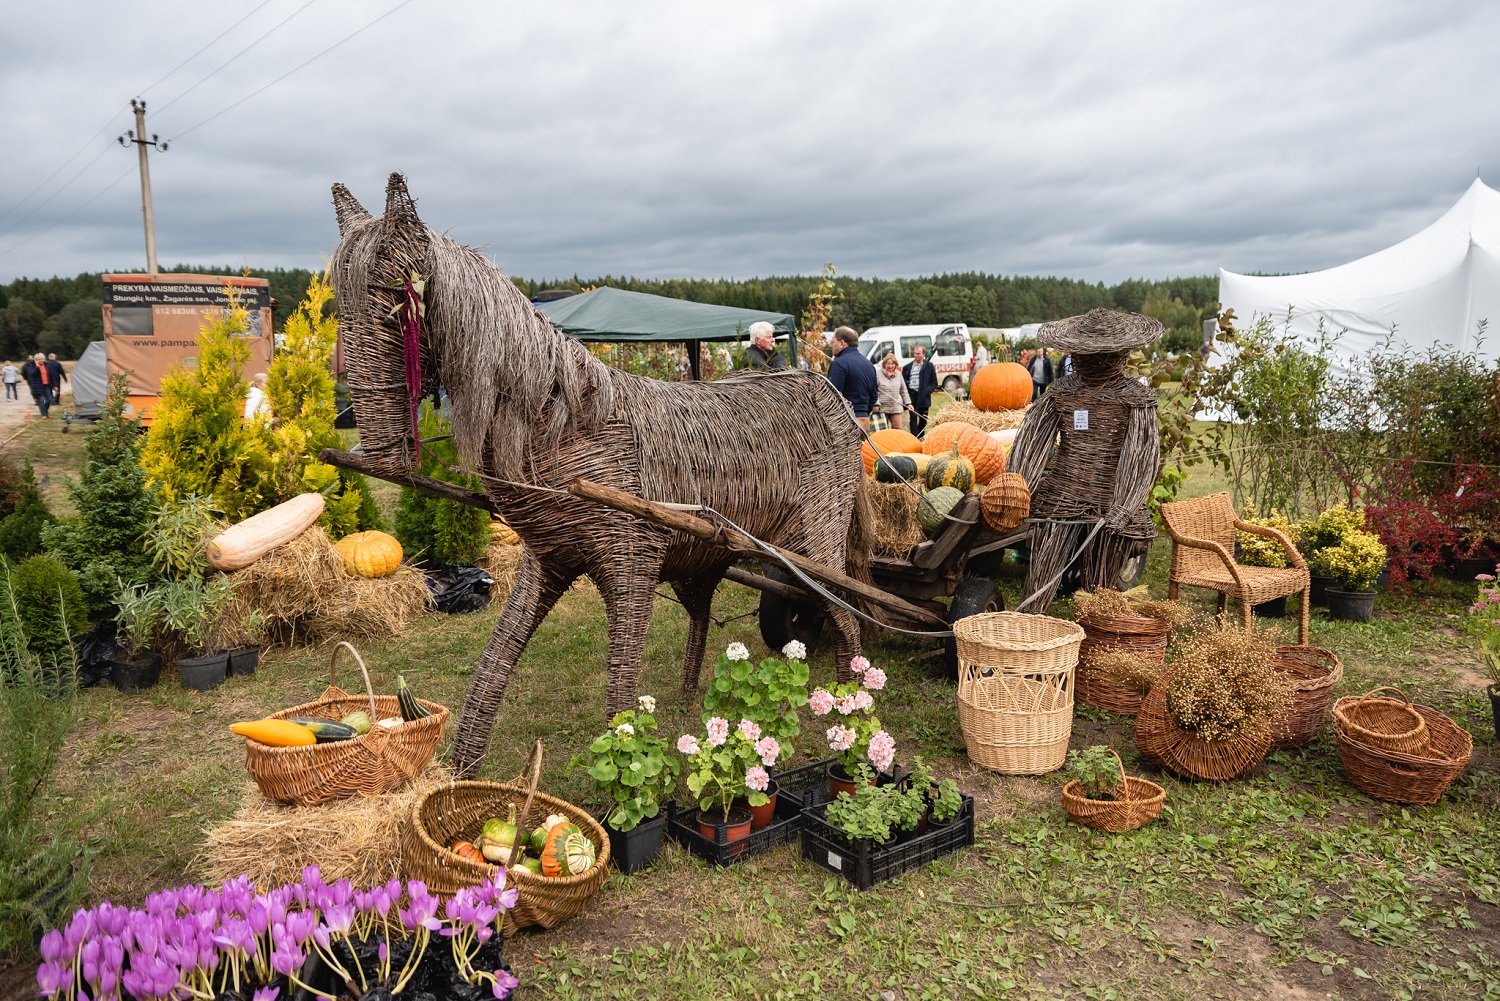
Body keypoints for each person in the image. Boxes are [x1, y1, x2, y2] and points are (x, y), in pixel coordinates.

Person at [1009, 309, 1163, 612]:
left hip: (1112, 499)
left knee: (1100, 587)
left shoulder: (1135, 399)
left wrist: (1126, 505)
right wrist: (1016, 487)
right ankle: (1029, 623)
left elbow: (1142, 457)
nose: (1093, 360)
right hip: (1061, 495)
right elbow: (1030, 442)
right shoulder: (1062, 393)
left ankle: (1097, 628)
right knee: (1041, 576)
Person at [825, 326, 877, 429]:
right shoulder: (869, 364)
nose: (831, 345)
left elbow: (832, 395)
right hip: (865, 421)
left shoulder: (839, 364)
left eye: (833, 342)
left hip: (846, 421)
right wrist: (864, 411)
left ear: (842, 343)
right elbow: (874, 396)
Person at [901, 344, 938, 436]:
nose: (916, 355)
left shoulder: (929, 366)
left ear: (923, 354)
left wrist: (927, 390)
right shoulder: (907, 367)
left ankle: (921, 437)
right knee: (913, 418)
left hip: (924, 397)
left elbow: (934, 382)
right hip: (912, 396)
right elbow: (903, 383)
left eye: (918, 353)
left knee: (923, 419)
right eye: (915, 353)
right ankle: (915, 437)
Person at [875, 352, 912, 430]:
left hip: (896, 407)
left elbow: (903, 390)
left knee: (897, 429)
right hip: (882, 408)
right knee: (882, 431)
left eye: (892, 364)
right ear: (884, 364)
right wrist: (876, 404)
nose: (890, 366)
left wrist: (908, 403)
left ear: (895, 364)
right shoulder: (878, 374)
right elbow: (874, 390)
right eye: (888, 363)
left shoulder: (899, 374)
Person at [22, 353, 51, 418]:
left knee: (49, 399)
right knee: (41, 400)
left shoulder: (46, 365)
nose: (40, 360)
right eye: (38, 359)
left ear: (44, 359)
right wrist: (37, 367)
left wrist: (54, 384)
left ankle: (45, 412)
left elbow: (49, 374)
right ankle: (44, 414)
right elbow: (32, 374)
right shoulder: (31, 365)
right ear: (35, 360)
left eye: (41, 359)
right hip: (37, 385)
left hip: (46, 384)